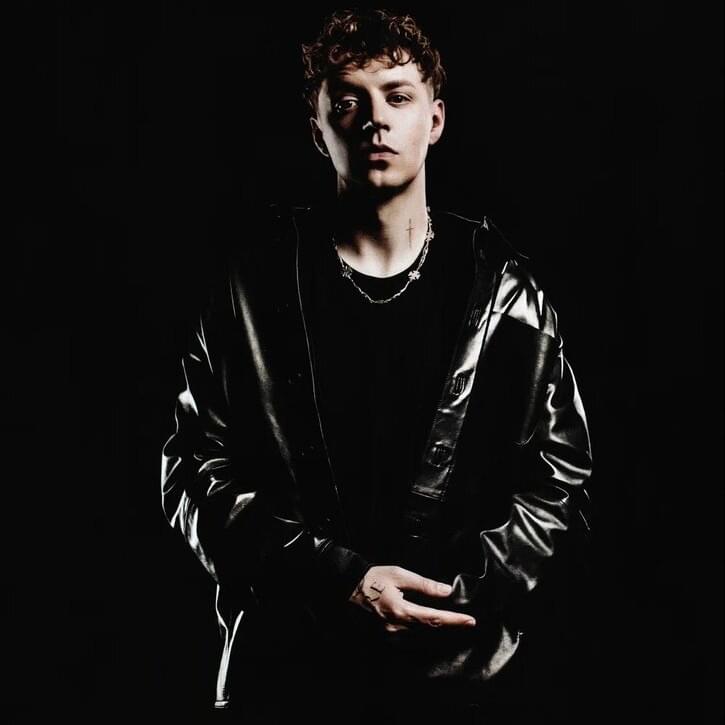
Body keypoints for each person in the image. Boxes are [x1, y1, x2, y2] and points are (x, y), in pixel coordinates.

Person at [160, 9, 593, 724]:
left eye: (397, 96)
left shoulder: (505, 293)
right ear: (318, 128)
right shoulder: (251, 287)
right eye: (348, 101)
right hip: (290, 680)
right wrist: (338, 579)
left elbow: (562, 487)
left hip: (462, 682)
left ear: (435, 119)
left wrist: (446, 597)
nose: (374, 121)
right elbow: (192, 472)